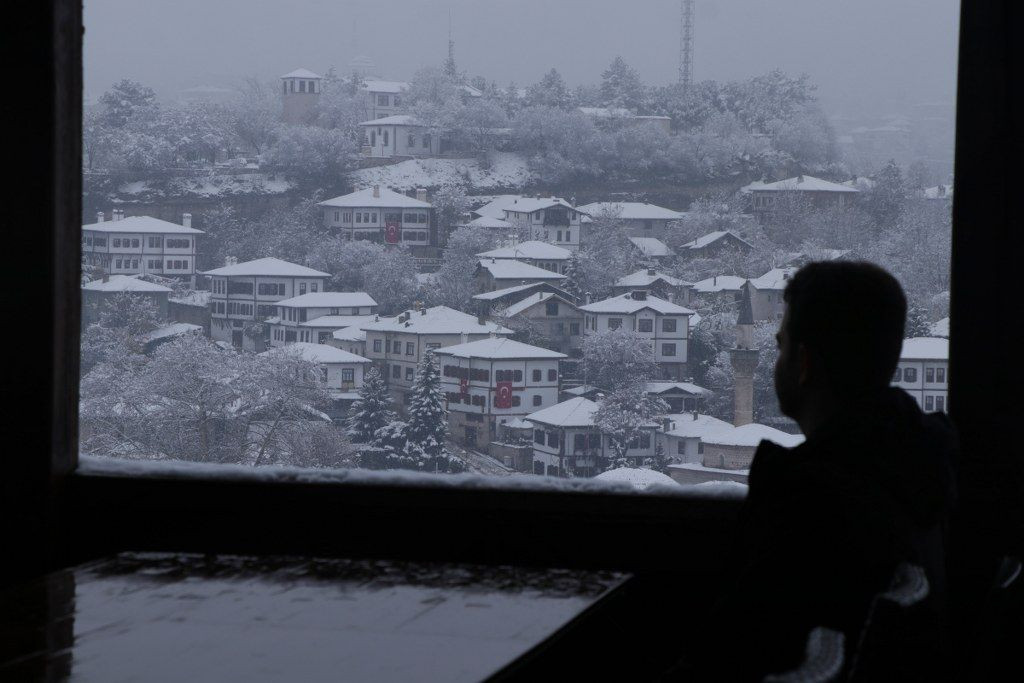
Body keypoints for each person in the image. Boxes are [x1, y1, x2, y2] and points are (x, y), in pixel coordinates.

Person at [683, 261, 957, 681]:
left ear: (804, 362)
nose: (775, 362)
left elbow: (731, 652)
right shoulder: (923, 463)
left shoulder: (812, 504)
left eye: (781, 347)